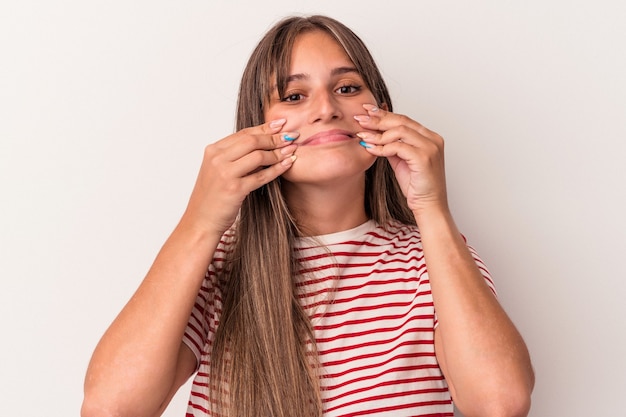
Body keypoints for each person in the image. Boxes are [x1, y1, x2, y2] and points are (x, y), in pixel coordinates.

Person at [82, 14, 534, 417]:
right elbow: (110, 409)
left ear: (381, 113)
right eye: (294, 95)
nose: (326, 109)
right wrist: (200, 222)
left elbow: (500, 404)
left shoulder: (433, 259)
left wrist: (432, 209)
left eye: (347, 88)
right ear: (254, 127)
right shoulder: (219, 266)